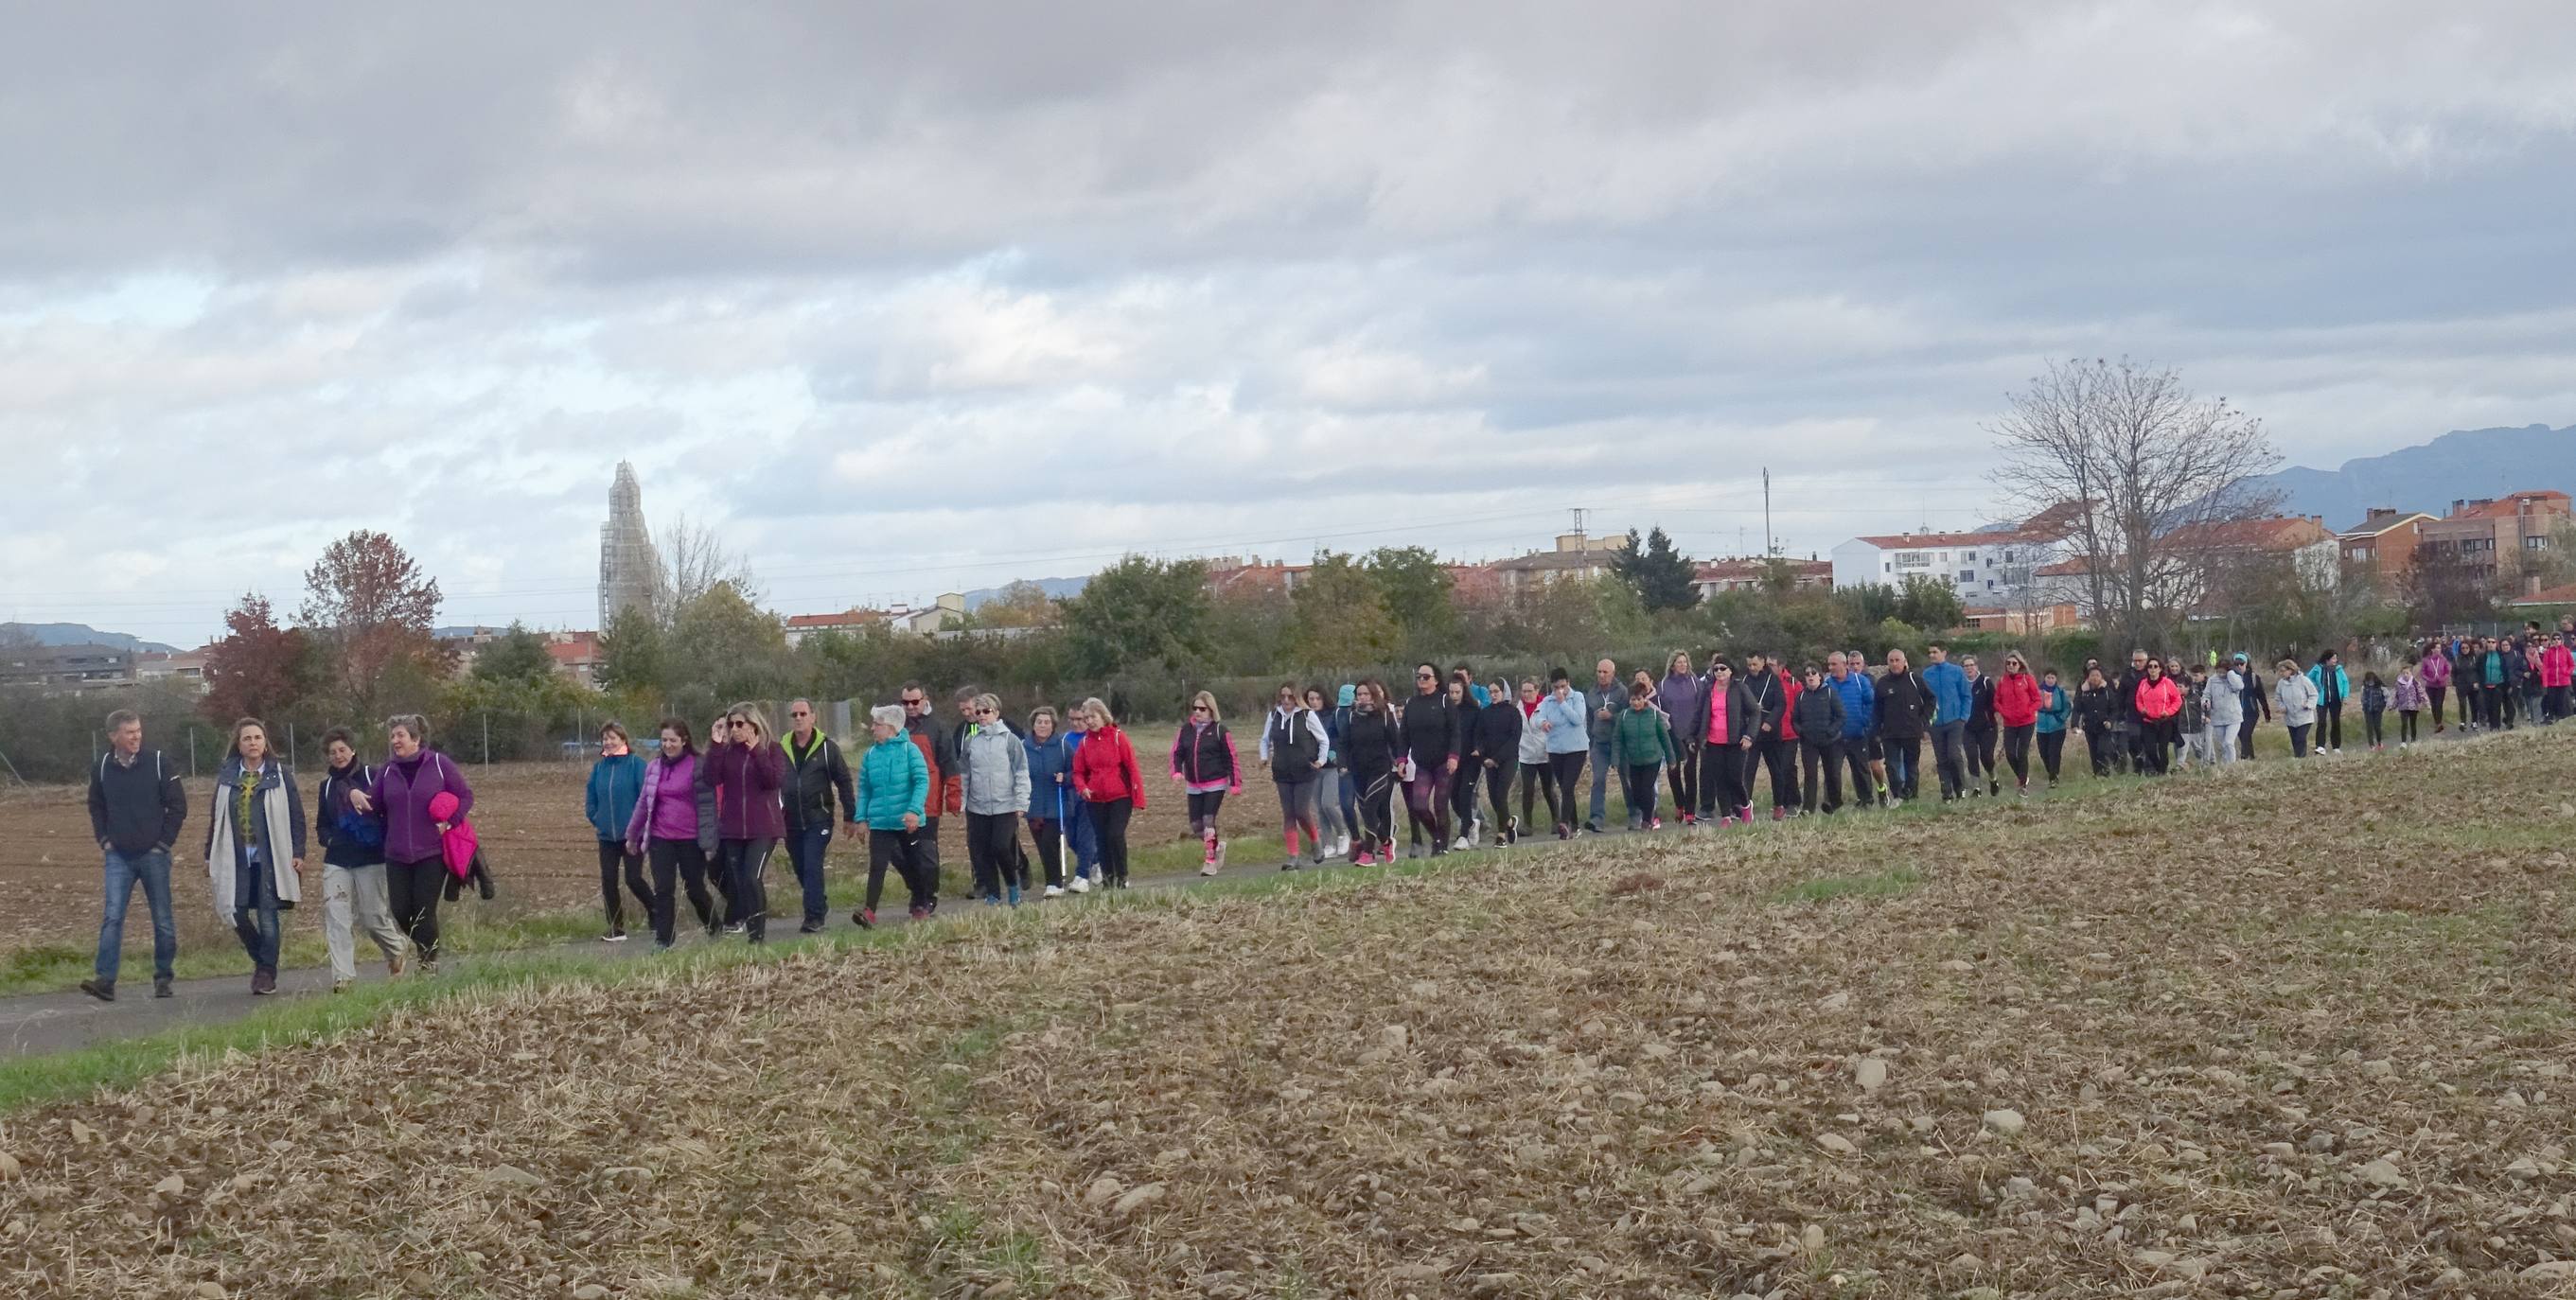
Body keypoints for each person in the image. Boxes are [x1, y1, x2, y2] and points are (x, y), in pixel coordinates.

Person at [347, 714, 470, 975]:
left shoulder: (439, 764)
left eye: (400, 735)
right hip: (396, 854)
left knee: (424, 909)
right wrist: (356, 795)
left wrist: (451, 821)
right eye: (393, 736)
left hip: (432, 853)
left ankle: (428, 963)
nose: (395, 741)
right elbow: (374, 804)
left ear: (416, 739)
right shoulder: (388, 771)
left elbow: (465, 795)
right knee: (401, 911)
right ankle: (426, 947)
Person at [79, 709, 187, 1003]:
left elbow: (178, 805)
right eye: (130, 732)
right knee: (112, 917)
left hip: (154, 855)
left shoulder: (158, 763)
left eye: (138, 730)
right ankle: (105, 981)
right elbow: (95, 805)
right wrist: (104, 839)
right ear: (113, 736)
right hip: (119, 857)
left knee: (162, 919)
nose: (137, 736)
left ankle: (163, 977)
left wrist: (163, 844)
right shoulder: (100, 767)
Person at [202, 718, 305, 995]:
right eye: (247, 738)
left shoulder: (280, 775)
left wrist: (298, 852)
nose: (253, 743)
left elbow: (296, 815)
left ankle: (266, 974)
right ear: (239, 743)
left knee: (268, 915)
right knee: (235, 911)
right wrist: (209, 854)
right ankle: (264, 960)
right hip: (235, 856)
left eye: (258, 738)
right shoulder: (227, 776)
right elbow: (217, 817)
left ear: (265, 742)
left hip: (271, 857)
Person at [312, 728, 407, 992]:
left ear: (352, 750)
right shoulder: (327, 786)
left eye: (342, 750)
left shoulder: (372, 775)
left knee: (371, 916)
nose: (338, 756)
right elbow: (322, 824)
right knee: (336, 917)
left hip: (371, 859)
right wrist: (328, 839)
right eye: (332, 752)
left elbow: (388, 808)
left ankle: (396, 949)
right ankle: (344, 978)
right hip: (337, 861)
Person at [626, 719, 720, 947]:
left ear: (684, 740)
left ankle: (714, 925)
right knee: (663, 889)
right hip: (661, 838)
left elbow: (708, 806)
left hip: (690, 839)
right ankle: (663, 940)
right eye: (664, 740)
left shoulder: (698, 765)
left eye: (673, 740)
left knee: (694, 888)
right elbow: (643, 803)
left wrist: (709, 842)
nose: (668, 745)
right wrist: (632, 834)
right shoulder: (654, 767)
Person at [707, 705, 786, 942]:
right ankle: (751, 927)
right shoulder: (728, 751)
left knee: (752, 878)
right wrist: (716, 745)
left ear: (753, 724)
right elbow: (711, 777)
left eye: (739, 724)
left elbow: (772, 780)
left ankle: (757, 934)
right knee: (740, 883)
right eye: (730, 725)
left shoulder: (772, 749)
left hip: (763, 827)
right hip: (733, 829)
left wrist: (757, 752)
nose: (735, 729)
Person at [779, 699, 856, 935]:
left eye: (803, 713)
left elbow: (843, 781)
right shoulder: (781, 748)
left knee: (812, 865)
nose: (798, 718)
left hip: (818, 818)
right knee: (801, 867)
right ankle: (819, 904)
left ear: (813, 717)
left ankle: (813, 918)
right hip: (790, 820)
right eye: (794, 714)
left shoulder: (827, 748)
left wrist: (850, 816)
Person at [852, 705, 934, 923]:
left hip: (907, 821)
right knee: (877, 865)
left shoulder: (910, 751)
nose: (872, 728)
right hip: (880, 821)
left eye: (877, 724)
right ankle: (869, 912)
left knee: (914, 863)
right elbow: (865, 789)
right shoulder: (870, 754)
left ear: (890, 728)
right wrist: (861, 819)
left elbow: (921, 781)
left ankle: (921, 902)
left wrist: (914, 811)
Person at [583, 722, 654, 942]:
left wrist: (639, 825)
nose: (608, 742)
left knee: (633, 878)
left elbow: (646, 798)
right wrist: (597, 818)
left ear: (623, 740)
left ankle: (656, 910)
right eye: (605, 738)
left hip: (632, 834)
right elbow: (591, 799)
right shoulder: (599, 768)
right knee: (608, 880)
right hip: (607, 836)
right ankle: (616, 928)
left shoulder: (636, 765)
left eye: (613, 738)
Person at [961, 694, 1033, 904]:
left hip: (1005, 805)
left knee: (1000, 846)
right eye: (978, 712)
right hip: (978, 806)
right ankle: (993, 892)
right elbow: (965, 773)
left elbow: (1021, 771)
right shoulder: (971, 741)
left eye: (986, 711)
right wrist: (962, 800)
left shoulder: (1010, 740)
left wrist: (1021, 802)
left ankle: (1012, 885)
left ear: (997, 713)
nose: (982, 716)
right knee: (982, 851)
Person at [1071, 697, 1144, 887]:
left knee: (1115, 834)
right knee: (1101, 839)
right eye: (1086, 718)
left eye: (1092, 717)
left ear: (1103, 716)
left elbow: (1132, 767)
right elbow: (1078, 771)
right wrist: (1083, 788)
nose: (1089, 721)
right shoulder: (1085, 743)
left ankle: (1122, 875)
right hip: (1095, 799)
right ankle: (1108, 878)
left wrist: (1138, 797)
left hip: (1120, 796)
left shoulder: (1119, 737)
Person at [1259, 682, 1332, 870]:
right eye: (1282, 696)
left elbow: (1323, 739)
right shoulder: (1273, 715)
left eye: (1290, 696)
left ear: (1297, 698)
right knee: (1289, 814)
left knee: (1301, 811)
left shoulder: (1307, 716)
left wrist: (1321, 761)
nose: (1285, 700)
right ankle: (1293, 856)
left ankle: (1315, 841)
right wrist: (1264, 757)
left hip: (1304, 771)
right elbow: (1265, 739)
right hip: (1282, 771)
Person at [1172, 690, 1242, 875]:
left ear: (1211, 710)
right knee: (1196, 825)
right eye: (1195, 708)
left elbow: (1231, 757)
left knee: (1208, 820)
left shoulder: (1220, 731)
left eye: (1202, 709)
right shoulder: (1185, 730)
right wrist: (1177, 771)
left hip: (1215, 782)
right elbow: (1176, 753)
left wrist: (1235, 783)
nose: (1197, 712)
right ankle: (1217, 847)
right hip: (1193, 784)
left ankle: (1210, 861)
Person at [1400, 663, 1462, 856]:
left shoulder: (1445, 701)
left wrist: (1453, 756)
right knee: (1418, 805)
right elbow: (1404, 734)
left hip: (1444, 762)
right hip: (1422, 763)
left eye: (1426, 677)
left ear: (1436, 680)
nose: (1421, 680)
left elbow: (1455, 732)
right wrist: (1401, 759)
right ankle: (1436, 836)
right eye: (1419, 676)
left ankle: (1442, 846)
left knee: (1440, 806)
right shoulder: (1412, 704)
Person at [1341, 679, 1403, 864]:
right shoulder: (1352, 717)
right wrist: (1342, 763)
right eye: (1359, 695)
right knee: (1367, 812)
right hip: (1358, 770)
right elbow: (1344, 743)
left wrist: (1401, 762)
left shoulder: (1384, 715)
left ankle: (1368, 853)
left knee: (1370, 809)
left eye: (1366, 694)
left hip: (1380, 769)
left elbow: (1396, 742)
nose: (1362, 698)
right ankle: (1386, 841)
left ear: (1373, 695)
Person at [896, 682, 949, 896]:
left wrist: (953, 796)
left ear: (925, 700)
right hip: (900, 800)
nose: (910, 706)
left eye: (915, 702)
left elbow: (949, 763)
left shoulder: (936, 727)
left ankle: (929, 895)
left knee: (926, 852)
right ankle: (918, 890)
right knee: (900, 852)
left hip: (928, 803)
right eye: (905, 702)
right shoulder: (896, 727)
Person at [1023, 707, 1080, 898]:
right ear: (1033, 724)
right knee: (1042, 845)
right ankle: (1053, 881)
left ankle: (1054, 884)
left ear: (1053, 725)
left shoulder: (1063, 747)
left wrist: (1065, 777)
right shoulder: (1024, 746)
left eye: (1047, 722)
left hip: (1057, 803)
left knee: (1049, 842)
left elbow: (1076, 772)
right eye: (1039, 722)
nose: (1043, 726)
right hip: (1033, 805)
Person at [1609, 681, 1677, 830]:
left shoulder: (1653, 715)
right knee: (1636, 792)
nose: (1636, 703)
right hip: (1634, 760)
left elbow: (1664, 738)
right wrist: (1615, 759)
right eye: (1633, 700)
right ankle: (1646, 813)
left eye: (1639, 699)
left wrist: (1671, 759)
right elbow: (1617, 739)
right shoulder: (1624, 716)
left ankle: (1647, 820)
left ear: (1645, 699)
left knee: (1647, 788)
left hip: (1653, 758)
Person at [1534, 670, 1590, 839]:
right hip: (1556, 750)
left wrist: (1563, 702)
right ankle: (1575, 826)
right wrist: (1542, 723)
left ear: (1568, 683)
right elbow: (1538, 717)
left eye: (1563, 687)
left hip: (1576, 748)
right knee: (1566, 788)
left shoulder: (1577, 697)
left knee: (1567, 786)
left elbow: (1578, 719)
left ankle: (1563, 823)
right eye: (1556, 687)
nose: (1560, 690)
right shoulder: (1546, 701)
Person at [1741, 652, 1797, 820]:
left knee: (1776, 770)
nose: (1752, 668)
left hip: (1770, 732)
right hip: (1751, 732)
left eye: (1755, 664)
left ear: (1763, 663)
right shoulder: (1744, 681)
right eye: (1749, 665)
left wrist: (1770, 722)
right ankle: (1745, 806)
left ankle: (1779, 805)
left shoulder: (1772, 680)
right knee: (1748, 770)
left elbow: (1781, 704)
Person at [1697, 660, 1755, 823]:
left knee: (1734, 777)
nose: (1719, 672)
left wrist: (1749, 735)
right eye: (1716, 669)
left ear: (1731, 671)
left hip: (1735, 741)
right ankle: (1726, 816)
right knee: (1719, 778)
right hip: (1714, 741)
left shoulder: (1740, 688)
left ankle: (1745, 805)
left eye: (1723, 668)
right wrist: (1693, 736)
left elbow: (1755, 712)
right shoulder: (1708, 690)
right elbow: (1699, 714)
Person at [1875, 650, 1933, 803]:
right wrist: (1876, 731)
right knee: (1892, 766)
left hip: (1912, 731)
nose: (1894, 664)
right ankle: (1898, 795)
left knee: (1911, 766)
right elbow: (1877, 710)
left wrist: (1923, 722)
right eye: (1891, 661)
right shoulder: (1882, 683)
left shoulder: (1915, 680)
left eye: (1897, 660)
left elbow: (1930, 700)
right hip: (1889, 733)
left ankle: (1912, 795)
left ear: (1904, 661)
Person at [1825, 652, 1879, 809]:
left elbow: (1871, 703)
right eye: (1829, 665)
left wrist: (1865, 722)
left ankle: (1866, 800)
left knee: (1861, 769)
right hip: (1835, 736)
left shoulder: (1860, 681)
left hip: (1857, 734)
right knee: (1832, 770)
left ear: (1844, 664)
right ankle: (1833, 803)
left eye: (1833, 664)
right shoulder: (1827, 684)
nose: (1831, 668)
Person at [1656, 651, 1704, 825]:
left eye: (1685, 662)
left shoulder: (1695, 682)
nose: (1683, 665)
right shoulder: (1663, 685)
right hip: (1672, 734)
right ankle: (1679, 805)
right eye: (1679, 662)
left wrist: (1699, 731)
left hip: (1691, 734)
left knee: (1690, 772)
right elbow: (1660, 709)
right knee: (1673, 771)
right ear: (1672, 665)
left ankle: (1691, 812)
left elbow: (1702, 706)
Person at [1791, 663, 1846, 814]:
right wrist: (1801, 732)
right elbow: (1794, 719)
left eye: (1813, 673)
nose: (1810, 676)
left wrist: (1831, 731)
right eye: (1807, 673)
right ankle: (1808, 807)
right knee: (1810, 774)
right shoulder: (1801, 696)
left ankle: (1834, 803)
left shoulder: (1830, 693)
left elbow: (1841, 716)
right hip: (1809, 742)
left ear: (1820, 676)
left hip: (1830, 741)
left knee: (1832, 773)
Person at [1475, 678, 1525, 845]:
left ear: (1504, 692)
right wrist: (1484, 758)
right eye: (1491, 692)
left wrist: (1497, 759)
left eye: (1496, 691)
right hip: (1489, 761)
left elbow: (1514, 738)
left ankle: (1501, 835)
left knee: (1501, 795)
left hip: (1508, 760)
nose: (1493, 695)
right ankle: (1510, 822)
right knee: (1494, 798)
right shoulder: (1485, 713)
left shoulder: (1513, 712)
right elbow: (1480, 737)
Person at [1305, 687, 1351, 859]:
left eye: (1318, 698)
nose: (1314, 702)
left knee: (1328, 803)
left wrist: (1335, 754)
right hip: (1313, 767)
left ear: (1324, 699)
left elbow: (1336, 737)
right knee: (1319, 809)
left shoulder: (1334, 715)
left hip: (1331, 766)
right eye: (1311, 699)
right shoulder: (1305, 717)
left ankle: (1343, 832)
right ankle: (1328, 843)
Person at [1920, 644, 1971, 801]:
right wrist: (1926, 722)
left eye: (1935, 652)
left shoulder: (1956, 671)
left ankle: (1960, 788)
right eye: (1930, 652)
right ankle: (1946, 792)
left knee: (1954, 755)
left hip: (1955, 721)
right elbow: (1923, 699)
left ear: (1944, 653)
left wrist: (1963, 716)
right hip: (1935, 722)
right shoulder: (1927, 674)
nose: (1932, 655)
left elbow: (1966, 695)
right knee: (1941, 758)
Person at [1992, 654, 2041, 796]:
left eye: (2014, 663)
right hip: (2010, 723)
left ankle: (2022, 786)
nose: (2011, 666)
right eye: (2008, 663)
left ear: (2020, 665)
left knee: (2022, 752)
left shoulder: (2027, 679)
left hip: (2027, 721)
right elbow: (1996, 701)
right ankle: (2022, 778)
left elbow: (2037, 700)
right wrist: (2003, 712)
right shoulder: (2002, 681)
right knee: (2010, 753)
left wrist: (2028, 711)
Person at [1512, 676, 1556, 836]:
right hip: (1526, 755)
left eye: (1530, 691)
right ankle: (1527, 825)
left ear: (1537, 690)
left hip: (1546, 754)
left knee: (1548, 789)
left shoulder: (1546, 705)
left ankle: (1557, 821)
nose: (1527, 694)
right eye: (1524, 691)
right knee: (1527, 790)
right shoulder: (1517, 708)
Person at [1447, 674, 1486, 848]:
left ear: (1464, 692)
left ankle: (1463, 836)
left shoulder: (1473, 711)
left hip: (1471, 759)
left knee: (1465, 794)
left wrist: (1479, 748)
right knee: (1453, 796)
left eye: (1457, 692)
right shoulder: (1445, 710)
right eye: (1451, 692)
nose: (1454, 696)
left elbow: (1480, 732)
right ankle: (1471, 823)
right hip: (1452, 760)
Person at [1582, 659, 1620, 834]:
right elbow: (1589, 719)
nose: (1601, 675)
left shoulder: (1622, 692)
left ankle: (1636, 815)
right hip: (1599, 743)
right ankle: (1596, 818)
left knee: (1627, 780)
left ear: (1613, 673)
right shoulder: (1592, 693)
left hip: (1619, 743)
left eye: (1605, 672)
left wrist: (1611, 716)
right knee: (1598, 780)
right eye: (1599, 672)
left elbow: (1628, 714)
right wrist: (1591, 742)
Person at [1960, 655, 2000, 797]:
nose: (1969, 668)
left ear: (1976, 666)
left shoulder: (1985, 682)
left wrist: (1988, 714)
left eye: (1971, 665)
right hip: (1967, 727)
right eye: (1966, 666)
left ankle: (1993, 779)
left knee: (1986, 757)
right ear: (1962, 668)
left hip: (1986, 727)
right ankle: (1976, 789)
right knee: (1971, 756)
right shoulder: (1961, 683)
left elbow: (1995, 702)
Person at [2132, 661, 2182, 775]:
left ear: (2160, 669)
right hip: (2148, 720)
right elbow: (2138, 699)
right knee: (2150, 749)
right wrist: (2141, 709)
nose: (2153, 669)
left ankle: (2163, 772)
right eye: (2150, 666)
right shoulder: (2143, 683)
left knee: (2162, 748)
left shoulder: (2167, 683)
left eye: (2155, 666)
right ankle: (2159, 767)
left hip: (2164, 720)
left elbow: (2177, 700)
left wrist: (2169, 712)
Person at [1328, 685, 1361, 852]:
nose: (1346, 708)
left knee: (1369, 806)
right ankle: (1356, 838)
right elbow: (1331, 735)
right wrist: (1333, 755)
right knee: (1346, 805)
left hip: (1365, 765)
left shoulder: (1364, 712)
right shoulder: (1338, 713)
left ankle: (1381, 836)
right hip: (1346, 766)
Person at [2113, 649, 2153, 774]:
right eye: (2135, 661)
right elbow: (2120, 695)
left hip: (2149, 713)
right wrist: (2119, 712)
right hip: (2132, 713)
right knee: (2133, 740)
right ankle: (2138, 763)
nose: (2137, 663)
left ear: (2146, 661)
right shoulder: (2127, 675)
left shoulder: (2152, 674)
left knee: (2149, 741)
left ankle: (2150, 768)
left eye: (2140, 661)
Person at [2073, 667, 2117, 777]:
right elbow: (2077, 709)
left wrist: (2110, 721)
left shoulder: (2107, 691)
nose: (2095, 678)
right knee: (2093, 752)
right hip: (2089, 726)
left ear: (2101, 677)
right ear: (2088, 678)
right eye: (2092, 675)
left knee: (2102, 750)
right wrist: (2074, 724)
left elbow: (2114, 708)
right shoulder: (2083, 692)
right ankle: (2097, 774)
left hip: (2104, 726)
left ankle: (2105, 773)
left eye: (2097, 675)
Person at [2200, 660, 2243, 769]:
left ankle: (2232, 766)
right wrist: (2206, 702)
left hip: (2234, 717)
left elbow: (2239, 686)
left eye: (2223, 672)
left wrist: (2230, 674)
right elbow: (2206, 694)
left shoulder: (2234, 678)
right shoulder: (2212, 680)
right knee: (2223, 744)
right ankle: (2225, 765)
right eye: (2218, 672)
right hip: (2218, 717)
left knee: (2229, 742)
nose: (2220, 674)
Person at [2034, 668, 2073, 786]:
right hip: (2041, 727)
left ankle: (2053, 777)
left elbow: (2067, 707)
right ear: (2044, 678)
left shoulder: (2060, 691)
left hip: (2057, 727)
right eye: (2048, 677)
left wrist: (2061, 718)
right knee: (2044, 753)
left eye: (2052, 678)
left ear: (2056, 679)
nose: (2050, 680)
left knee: (2054, 752)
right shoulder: (2037, 691)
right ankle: (2051, 773)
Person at [2307, 650, 2351, 755]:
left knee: (2336, 722)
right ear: (2327, 660)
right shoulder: (2318, 668)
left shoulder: (2339, 669)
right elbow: (2308, 678)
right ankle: (2320, 746)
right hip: (2322, 700)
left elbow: (2345, 682)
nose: (2335, 660)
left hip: (2336, 699)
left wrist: (2345, 696)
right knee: (2322, 722)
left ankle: (2336, 746)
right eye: (2333, 658)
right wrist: (2315, 686)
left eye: (2336, 658)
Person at [2274, 658, 2320, 758]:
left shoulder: (2303, 680)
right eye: (2279, 671)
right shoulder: (2281, 684)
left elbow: (2314, 694)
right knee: (2294, 740)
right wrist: (2282, 707)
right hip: (2290, 718)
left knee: (2300, 738)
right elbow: (2278, 698)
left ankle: (2301, 759)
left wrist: (2309, 705)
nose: (2280, 673)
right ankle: (2298, 759)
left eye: (2282, 671)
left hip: (2304, 717)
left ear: (2290, 670)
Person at [2232, 654, 2269, 760]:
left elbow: (2261, 696)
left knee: (2246, 734)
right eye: (2236, 664)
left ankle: (2244, 757)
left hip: (2251, 712)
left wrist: (2267, 712)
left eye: (2241, 664)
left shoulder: (2253, 677)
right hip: (2236, 712)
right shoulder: (2231, 678)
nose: (2239, 666)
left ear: (2246, 664)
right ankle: (2251, 757)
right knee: (2243, 736)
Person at [2418, 641, 2453, 733]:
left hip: (2441, 685)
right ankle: (2436, 722)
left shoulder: (2443, 659)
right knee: (2433, 705)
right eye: (2436, 648)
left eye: (2439, 648)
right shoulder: (2426, 660)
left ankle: (2439, 723)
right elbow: (2422, 673)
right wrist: (2430, 679)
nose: (2438, 650)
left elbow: (2447, 671)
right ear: (2432, 649)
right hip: (2430, 686)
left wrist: (2443, 678)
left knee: (2439, 704)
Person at [2392, 657, 2427, 747]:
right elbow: (2396, 696)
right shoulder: (2398, 684)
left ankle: (2413, 740)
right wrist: (2393, 706)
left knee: (2413, 724)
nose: (2405, 675)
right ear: (2401, 674)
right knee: (2404, 724)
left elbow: (2421, 692)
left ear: (2411, 673)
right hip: (2403, 706)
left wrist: (2425, 703)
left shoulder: (2415, 682)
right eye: (2403, 673)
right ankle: (2403, 742)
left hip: (2413, 706)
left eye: (2407, 673)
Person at [2545, 633, 2574, 724]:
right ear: (2552, 641)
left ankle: (2565, 720)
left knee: (2564, 702)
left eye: (2558, 639)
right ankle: (2553, 719)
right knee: (2552, 702)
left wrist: (2567, 673)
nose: (2556, 640)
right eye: (2554, 639)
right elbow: (2545, 667)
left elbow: (2572, 665)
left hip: (2564, 682)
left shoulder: (2566, 651)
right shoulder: (2548, 652)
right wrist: (2545, 682)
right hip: (2552, 682)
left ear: (2561, 640)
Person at [2356, 671, 2389, 751]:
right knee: (2369, 728)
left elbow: (2387, 696)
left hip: (2378, 710)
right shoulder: (2364, 687)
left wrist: (2383, 705)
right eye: (2368, 680)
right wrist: (2364, 705)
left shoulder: (2381, 687)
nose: (2370, 682)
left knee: (2377, 727)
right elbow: (2362, 698)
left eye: (2371, 680)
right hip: (2368, 711)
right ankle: (2371, 745)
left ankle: (2379, 742)